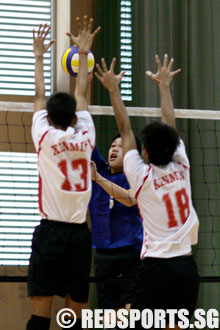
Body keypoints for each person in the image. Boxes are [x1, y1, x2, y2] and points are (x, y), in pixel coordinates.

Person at [95, 54, 199, 330]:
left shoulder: (141, 177)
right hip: (186, 267)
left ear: (146, 152)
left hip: (156, 268)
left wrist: (113, 90)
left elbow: (124, 129)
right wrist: (164, 86)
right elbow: (169, 123)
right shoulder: (182, 164)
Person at [26, 16, 100, 330]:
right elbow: (82, 94)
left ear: (49, 118)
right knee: (74, 318)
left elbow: (39, 97)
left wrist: (40, 56)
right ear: (73, 118)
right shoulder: (86, 137)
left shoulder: (43, 136)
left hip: (51, 233)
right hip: (79, 234)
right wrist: (83, 54)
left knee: (39, 318)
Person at [89, 133, 143, 316]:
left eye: (121, 147)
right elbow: (87, 138)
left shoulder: (137, 177)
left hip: (130, 253)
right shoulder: (99, 169)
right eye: (113, 145)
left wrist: (97, 178)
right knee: (108, 317)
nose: (114, 148)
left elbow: (130, 199)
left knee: (131, 315)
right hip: (103, 255)